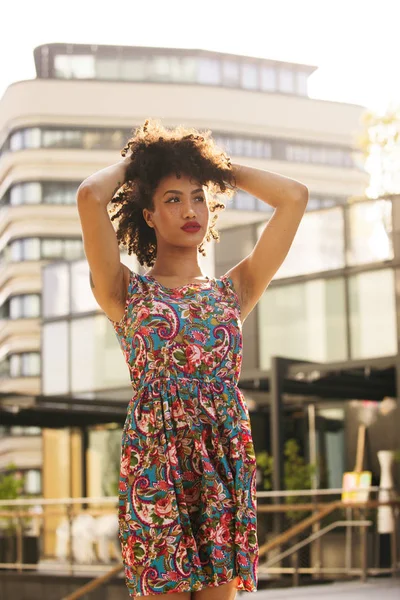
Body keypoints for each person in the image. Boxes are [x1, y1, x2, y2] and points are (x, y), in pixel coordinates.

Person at [77, 119, 308, 600]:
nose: (190, 209)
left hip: (221, 466)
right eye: (172, 199)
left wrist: (213, 168)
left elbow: (295, 197)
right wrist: (140, 164)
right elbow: (88, 197)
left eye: (198, 196)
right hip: (156, 467)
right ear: (149, 215)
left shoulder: (234, 291)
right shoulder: (126, 292)